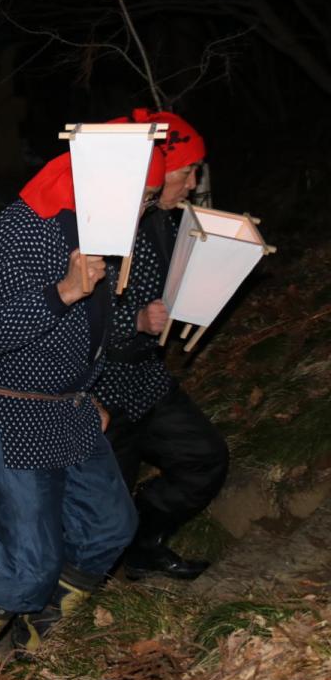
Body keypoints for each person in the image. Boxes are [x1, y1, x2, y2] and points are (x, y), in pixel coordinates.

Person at [0, 145, 165, 661]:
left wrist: (94, 385)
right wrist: (62, 291)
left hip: (70, 409)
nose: (146, 211)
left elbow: (87, 329)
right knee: (26, 567)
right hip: (11, 413)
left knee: (111, 527)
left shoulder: (101, 231)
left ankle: (31, 645)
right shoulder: (24, 228)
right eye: (146, 197)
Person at [95, 109, 229, 581]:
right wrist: (134, 318)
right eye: (187, 170)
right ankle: (72, 595)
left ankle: (143, 542)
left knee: (204, 458)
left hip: (147, 376)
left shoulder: (162, 220)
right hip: (101, 385)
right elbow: (70, 316)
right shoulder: (103, 222)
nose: (193, 182)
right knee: (101, 507)